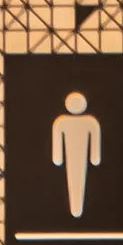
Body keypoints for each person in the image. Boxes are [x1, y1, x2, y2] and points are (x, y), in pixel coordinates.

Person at [51, 89, 102, 219]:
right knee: (73, 177)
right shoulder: (61, 122)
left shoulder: (90, 122)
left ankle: (77, 209)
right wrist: (58, 157)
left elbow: (95, 141)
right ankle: (75, 209)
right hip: (72, 155)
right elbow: (57, 142)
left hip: (80, 154)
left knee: (78, 177)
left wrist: (94, 157)